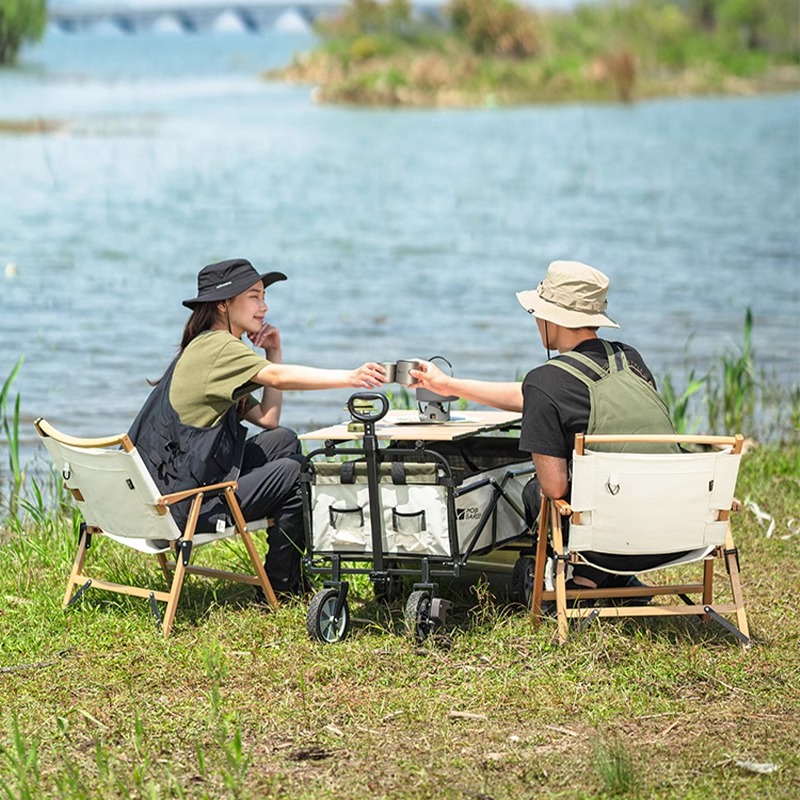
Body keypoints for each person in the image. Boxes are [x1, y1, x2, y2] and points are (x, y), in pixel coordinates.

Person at [410, 260, 683, 592]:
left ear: (552, 318)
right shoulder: (628, 359)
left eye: (536, 313)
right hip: (674, 523)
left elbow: (554, 489)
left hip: (613, 536)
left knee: (535, 492)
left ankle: (587, 577)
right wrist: (450, 385)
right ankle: (599, 577)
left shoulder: (546, 382)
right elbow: (539, 396)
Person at [128, 258, 387, 598]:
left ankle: (286, 569)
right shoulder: (220, 347)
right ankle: (280, 587)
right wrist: (350, 377)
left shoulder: (205, 346)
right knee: (296, 473)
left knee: (283, 441)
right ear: (223, 303)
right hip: (181, 506)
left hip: (164, 494)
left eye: (263, 296)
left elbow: (268, 419)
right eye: (254, 296)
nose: (263, 307)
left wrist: (273, 350)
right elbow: (278, 379)